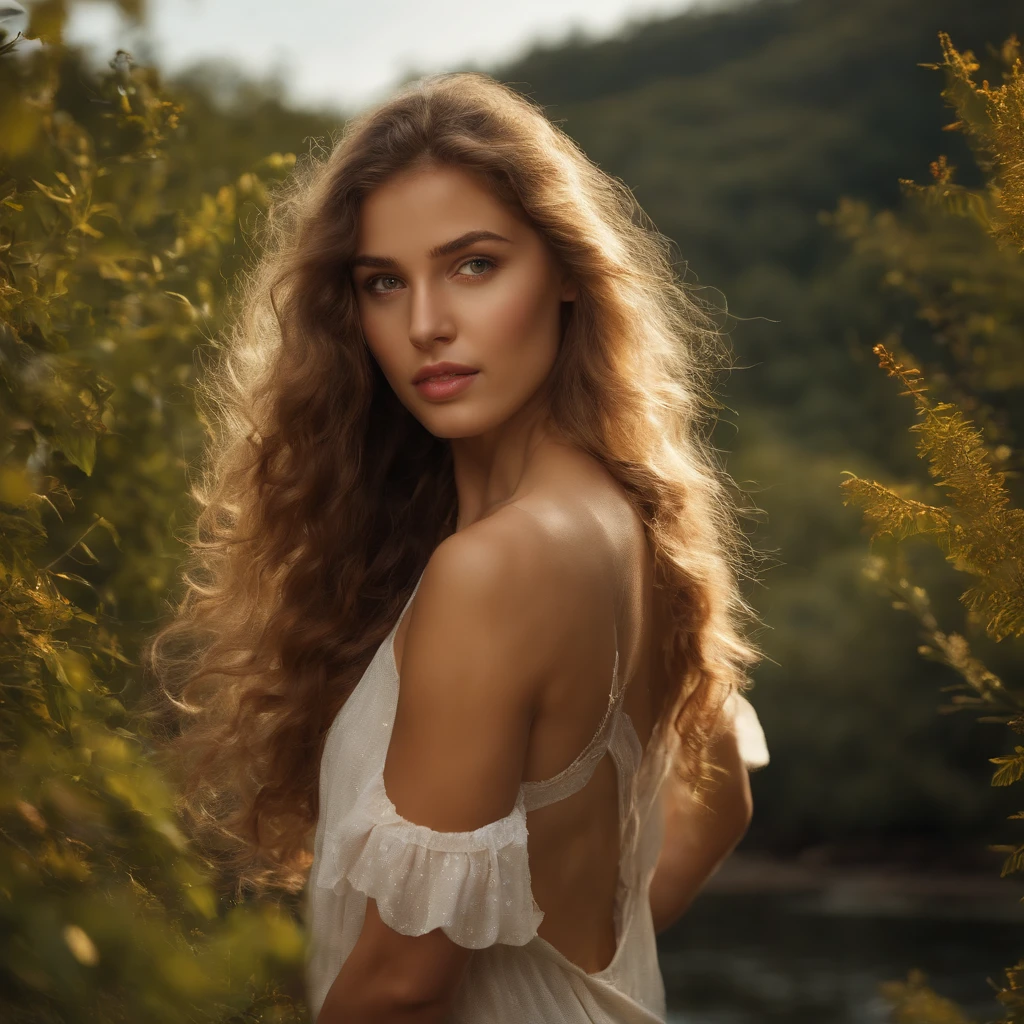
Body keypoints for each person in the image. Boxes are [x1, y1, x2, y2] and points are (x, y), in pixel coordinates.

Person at [148, 71, 770, 1024]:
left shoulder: (497, 566)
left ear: (566, 271)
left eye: (475, 265)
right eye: (383, 283)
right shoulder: (637, 523)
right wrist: (575, 984)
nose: (427, 324)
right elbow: (720, 798)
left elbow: (403, 986)